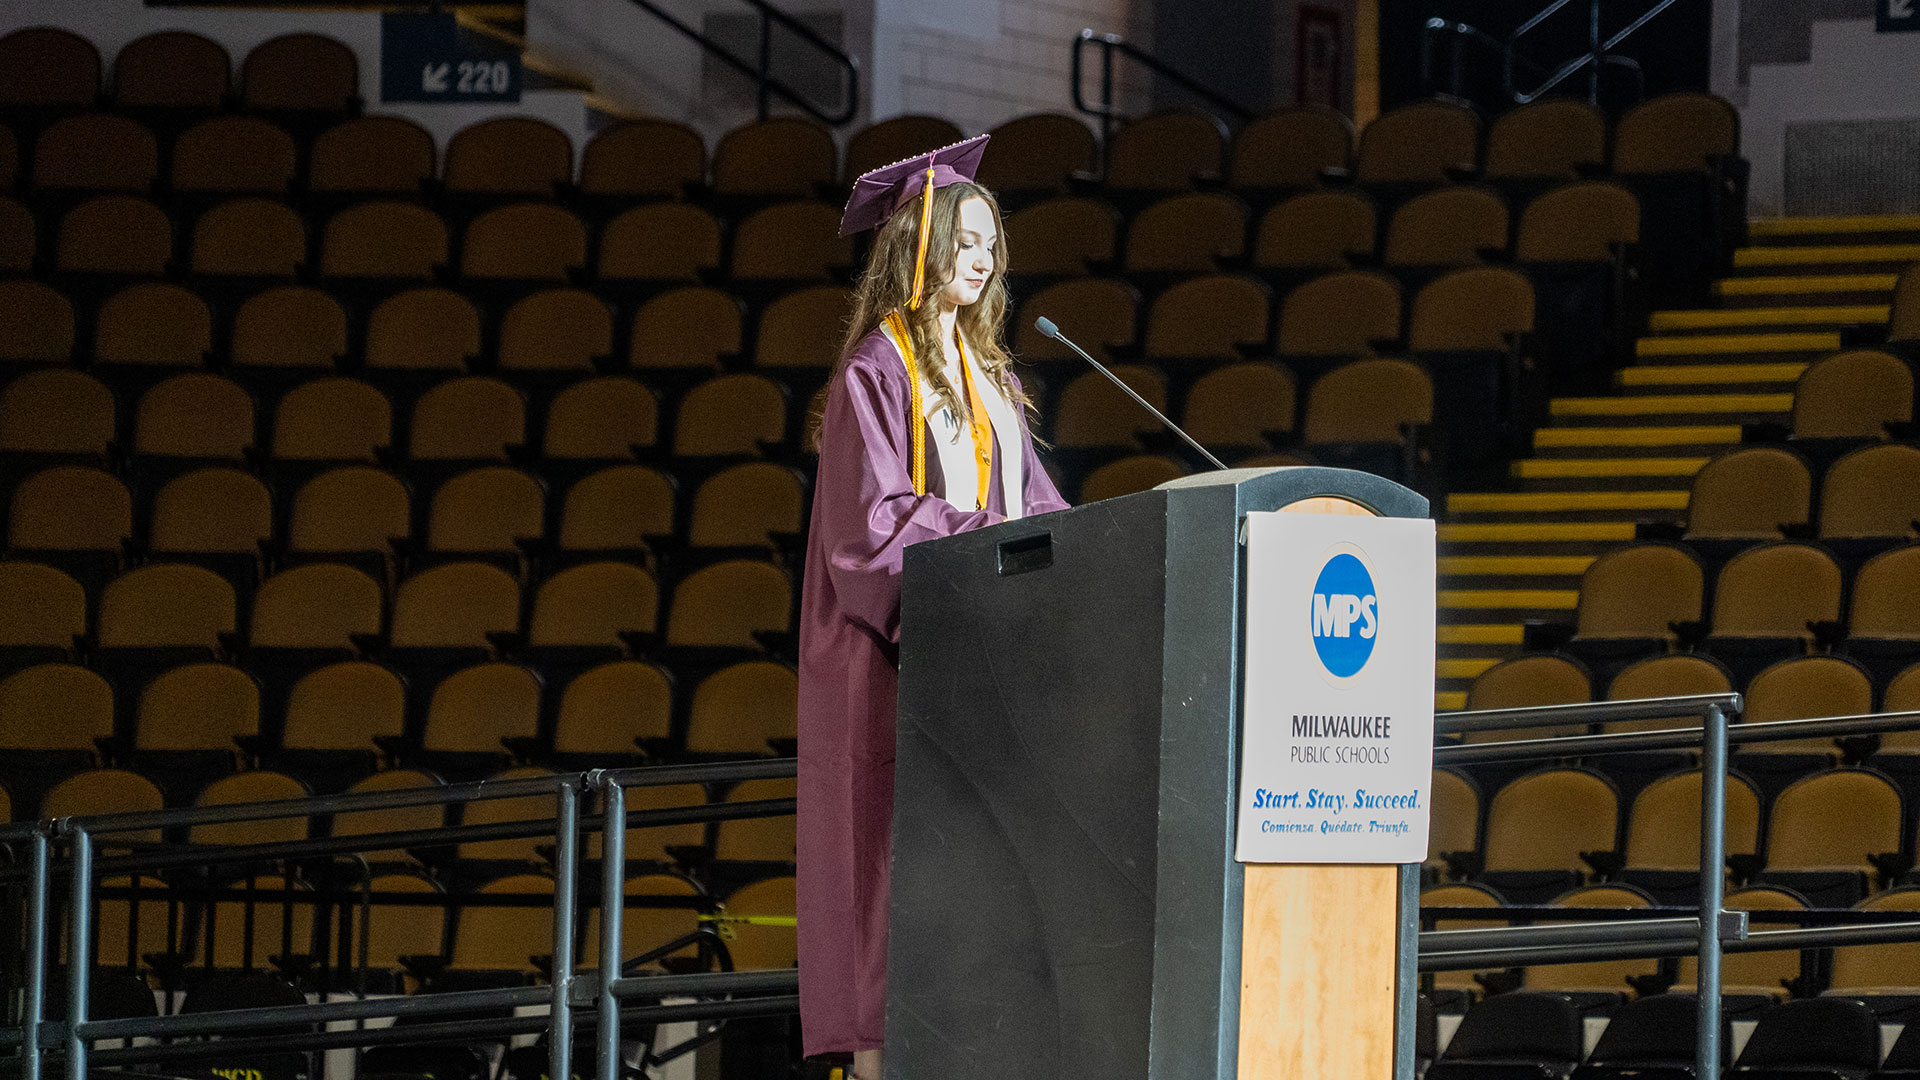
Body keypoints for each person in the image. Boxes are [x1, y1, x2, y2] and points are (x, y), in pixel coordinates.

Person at [795, 134, 1070, 1078]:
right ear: (918, 247)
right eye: (967, 240)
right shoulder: (877, 372)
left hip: (985, 659)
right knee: (887, 880)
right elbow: (868, 527)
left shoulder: (994, 378)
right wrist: (990, 535)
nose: (983, 260)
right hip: (894, 660)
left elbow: (1036, 505)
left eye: (993, 245)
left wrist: (1077, 547)